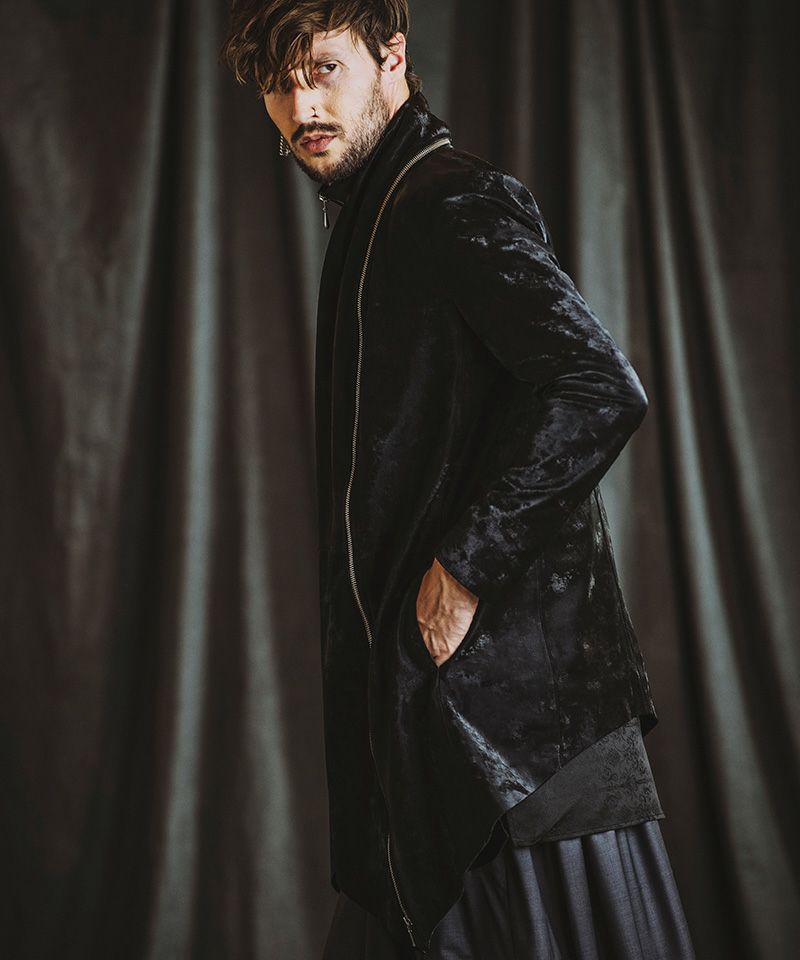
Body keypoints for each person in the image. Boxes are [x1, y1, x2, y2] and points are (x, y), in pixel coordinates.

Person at [221, 3, 697, 957]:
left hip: (521, 734)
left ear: (392, 56)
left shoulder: (448, 199)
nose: (301, 106)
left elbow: (599, 386)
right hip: (436, 726)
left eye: (323, 69)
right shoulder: (374, 212)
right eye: (279, 82)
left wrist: (466, 568)